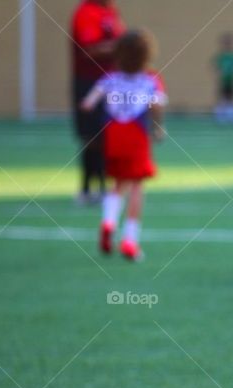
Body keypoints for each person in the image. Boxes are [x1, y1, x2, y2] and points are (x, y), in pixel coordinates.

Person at [81, 30, 166, 261]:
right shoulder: (150, 79)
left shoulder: (110, 78)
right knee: (137, 185)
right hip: (136, 134)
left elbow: (88, 103)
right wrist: (158, 128)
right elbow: (158, 105)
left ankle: (108, 222)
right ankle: (130, 240)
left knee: (118, 183)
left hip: (113, 134)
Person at [70, 0, 124, 205]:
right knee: (92, 136)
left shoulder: (110, 11)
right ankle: (87, 189)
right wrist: (124, 47)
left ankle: (101, 187)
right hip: (89, 81)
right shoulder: (87, 12)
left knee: (106, 135)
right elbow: (89, 49)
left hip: (110, 82)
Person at [213, 32, 233, 125]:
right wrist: (218, 80)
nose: (228, 44)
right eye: (226, 42)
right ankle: (221, 119)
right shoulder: (220, 57)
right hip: (224, 82)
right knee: (222, 99)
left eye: (229, 42)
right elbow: (217, 70)